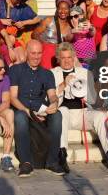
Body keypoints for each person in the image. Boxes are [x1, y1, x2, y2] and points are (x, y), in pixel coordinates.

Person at [52, 43, 108, 173]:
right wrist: (63, 85)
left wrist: (84, 93)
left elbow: (93, 100)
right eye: (63, 58)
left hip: (83, 113)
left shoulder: (84, 72)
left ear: (74, 58)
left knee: (99, 116)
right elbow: (51, 98)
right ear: (58, 59)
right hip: (65, 116)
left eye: (70, 57)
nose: (67, 61)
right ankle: (62, 156)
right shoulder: (53, 73)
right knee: (63, 111)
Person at [8, 40, 65, 177]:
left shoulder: (47, 74)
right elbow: (13, 97)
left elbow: (52, 95)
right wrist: (28, 112)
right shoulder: (16, 70)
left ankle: (52, 161)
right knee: (20, 117)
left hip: (40, 108)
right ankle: (26, 163)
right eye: (33, 53)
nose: (36, 56)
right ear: (26, 53)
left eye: (39, 53)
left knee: (57, 115)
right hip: (22, 108)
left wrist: (54, 104)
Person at [32, 0, 73, 69]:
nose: (63, 11)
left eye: (66, 8)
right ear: (57, 9)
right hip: (45, 51)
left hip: (59, 55)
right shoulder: (49, 20)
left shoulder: (71, 26)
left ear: (69, 10)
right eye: (60, 8)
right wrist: (43, 45)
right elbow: (34, 34)